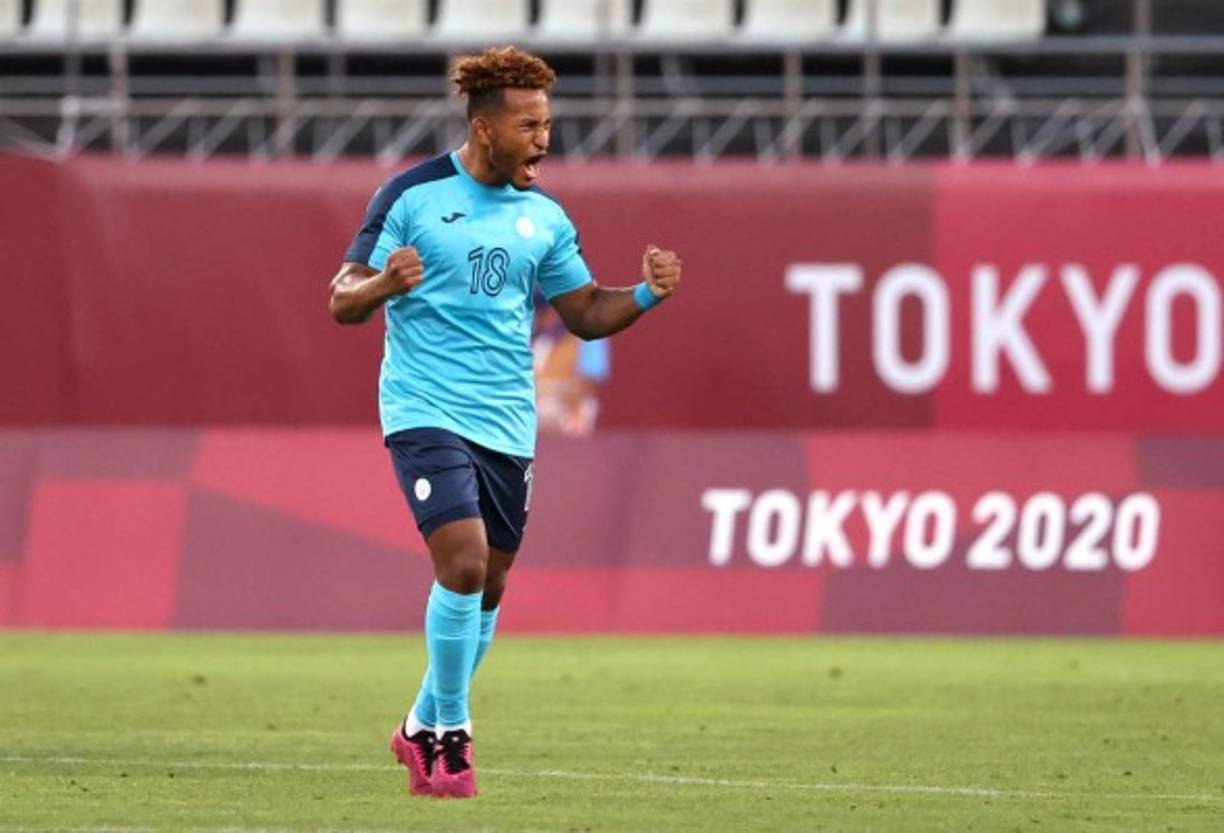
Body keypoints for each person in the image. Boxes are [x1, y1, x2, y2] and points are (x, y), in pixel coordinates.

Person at [327, 46, 682, 800]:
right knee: (459, 562)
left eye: (548, 123)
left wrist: (646, 295)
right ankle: (450, 736)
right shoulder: (412, 197)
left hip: (507, 424)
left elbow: (583, 313)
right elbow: (341, 295)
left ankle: (418, 721)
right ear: (486, 130)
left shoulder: (544, 219)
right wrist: (384, 284)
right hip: (424, 409)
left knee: (486, 587)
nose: (544, 139)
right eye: (529, 125)